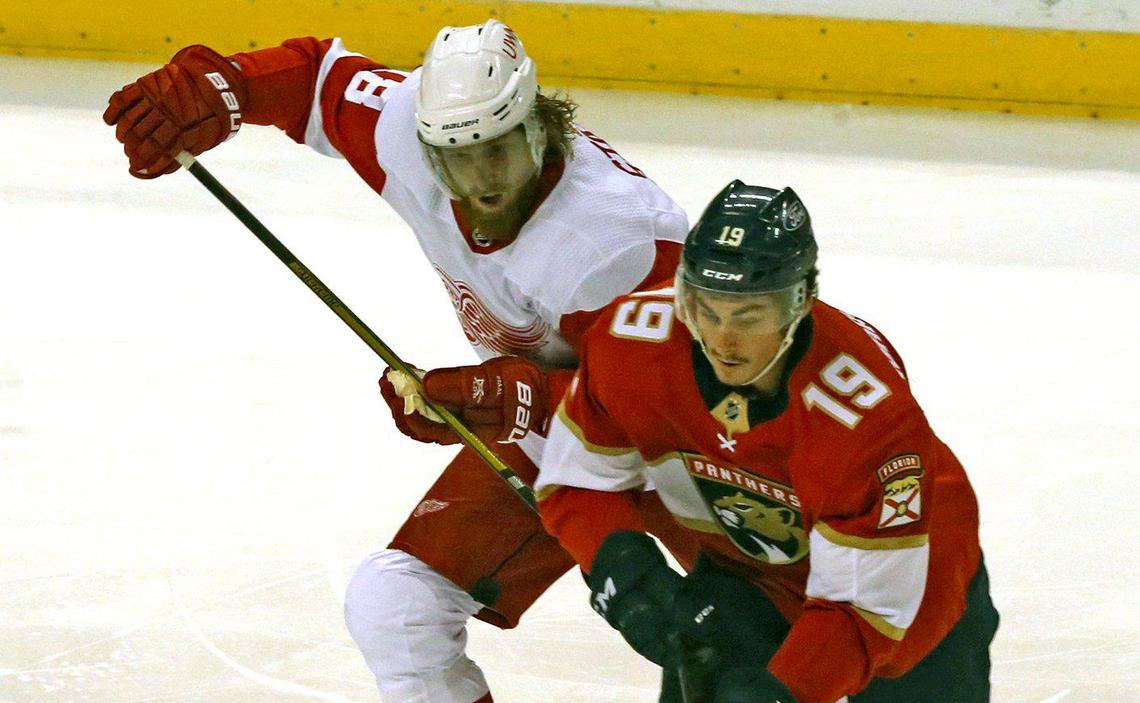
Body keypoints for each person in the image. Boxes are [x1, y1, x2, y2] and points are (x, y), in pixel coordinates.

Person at [103, 19, 699, 703]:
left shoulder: (611, 240)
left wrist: (511, 395)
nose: (481, 184)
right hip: (561, 414)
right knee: (395, 607)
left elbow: (673, 402)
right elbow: (318, 79)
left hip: (691, 450)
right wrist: (224, 86)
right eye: (456, 160)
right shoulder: (405, 134)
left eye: (497, 153)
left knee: (746, 650)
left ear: (538, 126)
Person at [536, 181, 1000, 702]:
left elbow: (863, 613)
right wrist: (627, 572)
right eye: (707, 310)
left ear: (799, 302)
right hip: (749, 576)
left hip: (905, 586)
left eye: (749, 317)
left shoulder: (867, 418)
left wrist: (783, 693)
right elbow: (577, 481)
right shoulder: (629, 344)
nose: (722, 341)